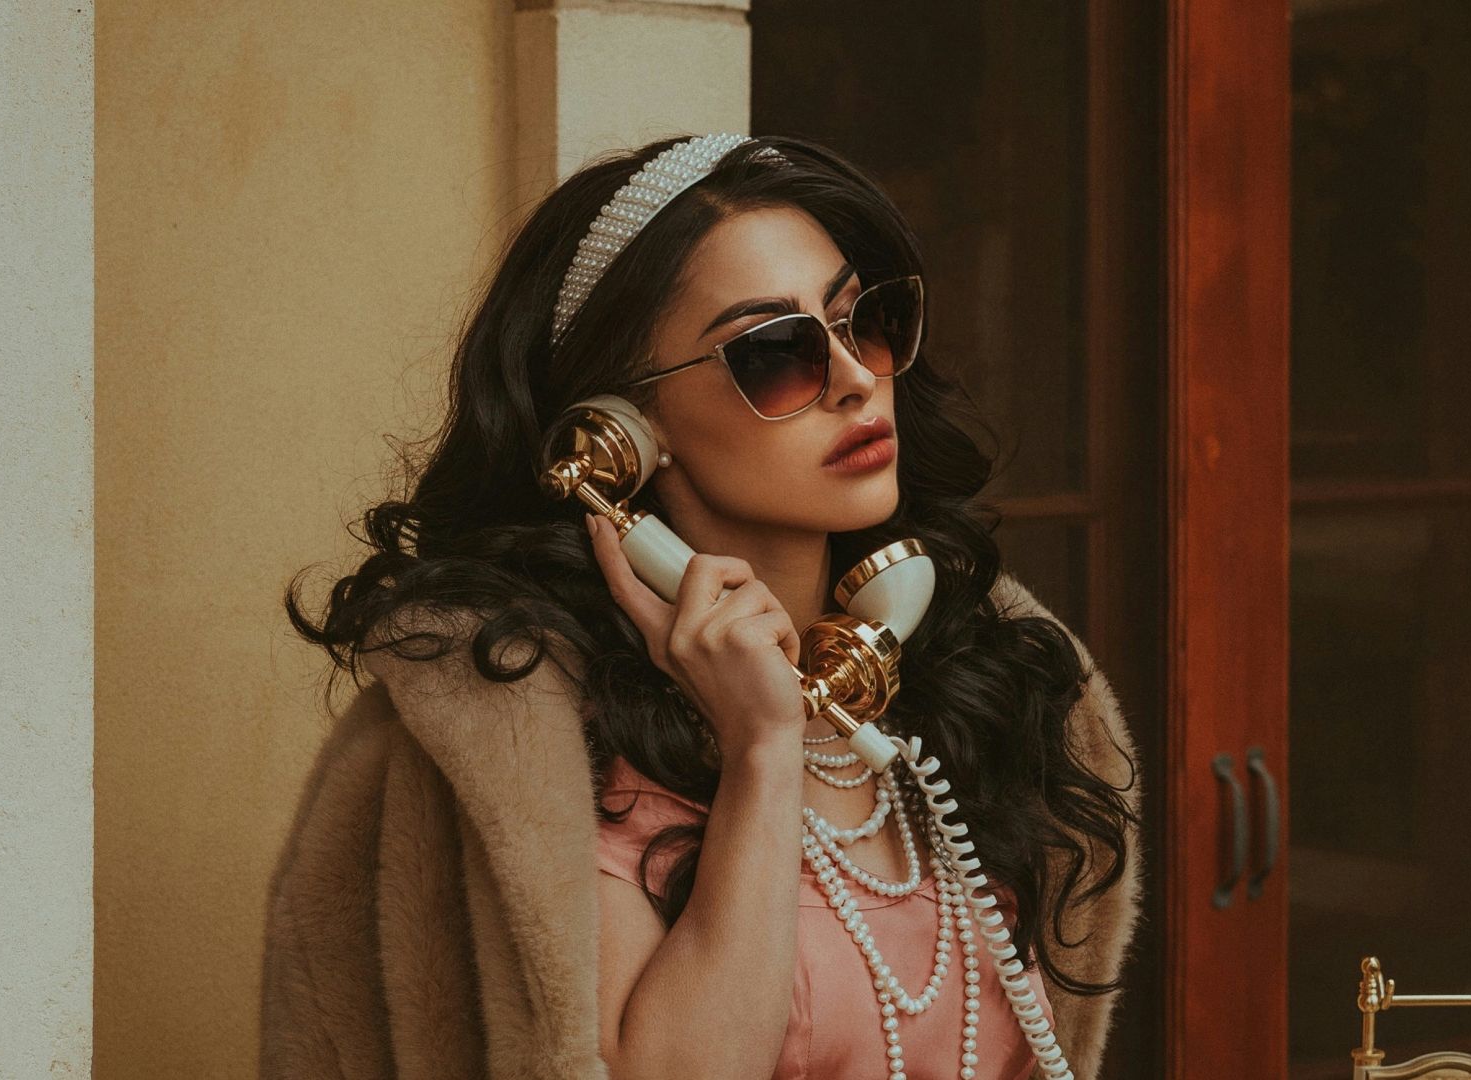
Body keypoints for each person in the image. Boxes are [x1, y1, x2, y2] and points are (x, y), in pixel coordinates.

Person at [261, 132, 1142, 1080]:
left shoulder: (976, 678)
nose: (856, 379)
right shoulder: (539, 754)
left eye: (864, 322)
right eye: (776, 353)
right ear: (624, 432)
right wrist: (761, 748)